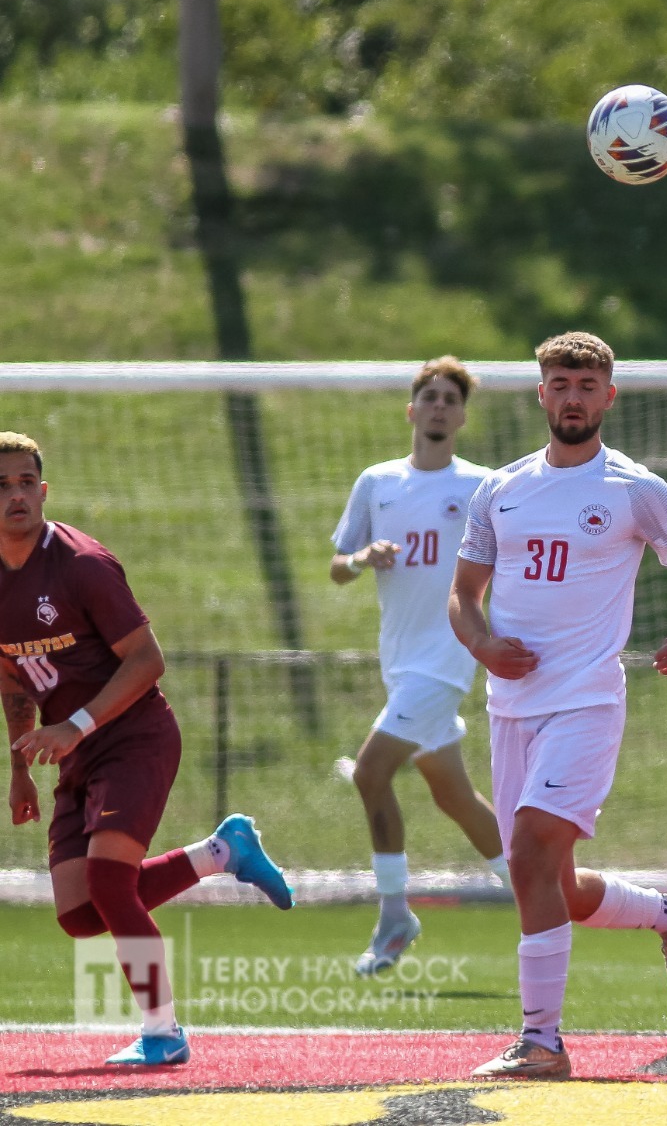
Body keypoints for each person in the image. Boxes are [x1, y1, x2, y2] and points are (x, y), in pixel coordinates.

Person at [448, 332, 667, 1079]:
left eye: (587, 385)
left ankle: (542, 1042)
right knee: (554, 887)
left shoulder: (636, 489)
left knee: (532, 852)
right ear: (542, 393)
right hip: (511, 707)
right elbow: (463, 595)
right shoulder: (500, 488)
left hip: (586, 701)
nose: (573, 397)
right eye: (561, 384)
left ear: (610, 395)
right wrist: (482, 644)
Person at [1, 432, 293, 1066]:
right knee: (80, 913)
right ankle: (223, 851)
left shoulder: (82, 564)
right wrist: (19, 768)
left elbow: (147, 660)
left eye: (25, 483)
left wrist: (75, 725)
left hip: (134, 736)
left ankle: (164, 1032)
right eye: (2, 486)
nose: (16, 495)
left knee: (110, 882)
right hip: (77, 753)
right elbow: (13, 678)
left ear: (43, 492)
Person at [330, 356, 506, 975]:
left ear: (461, 418)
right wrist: (362, 559)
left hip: (446, 660)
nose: (439, 406)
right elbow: (338, 565)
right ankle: (545, 891)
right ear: (412, 410)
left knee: (369, 772)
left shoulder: (482, 485)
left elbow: (513, 559)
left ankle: (394, 915)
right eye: (429, 397)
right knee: (456, 798)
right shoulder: (377, 481)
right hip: (401, 663)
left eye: (450, 400)